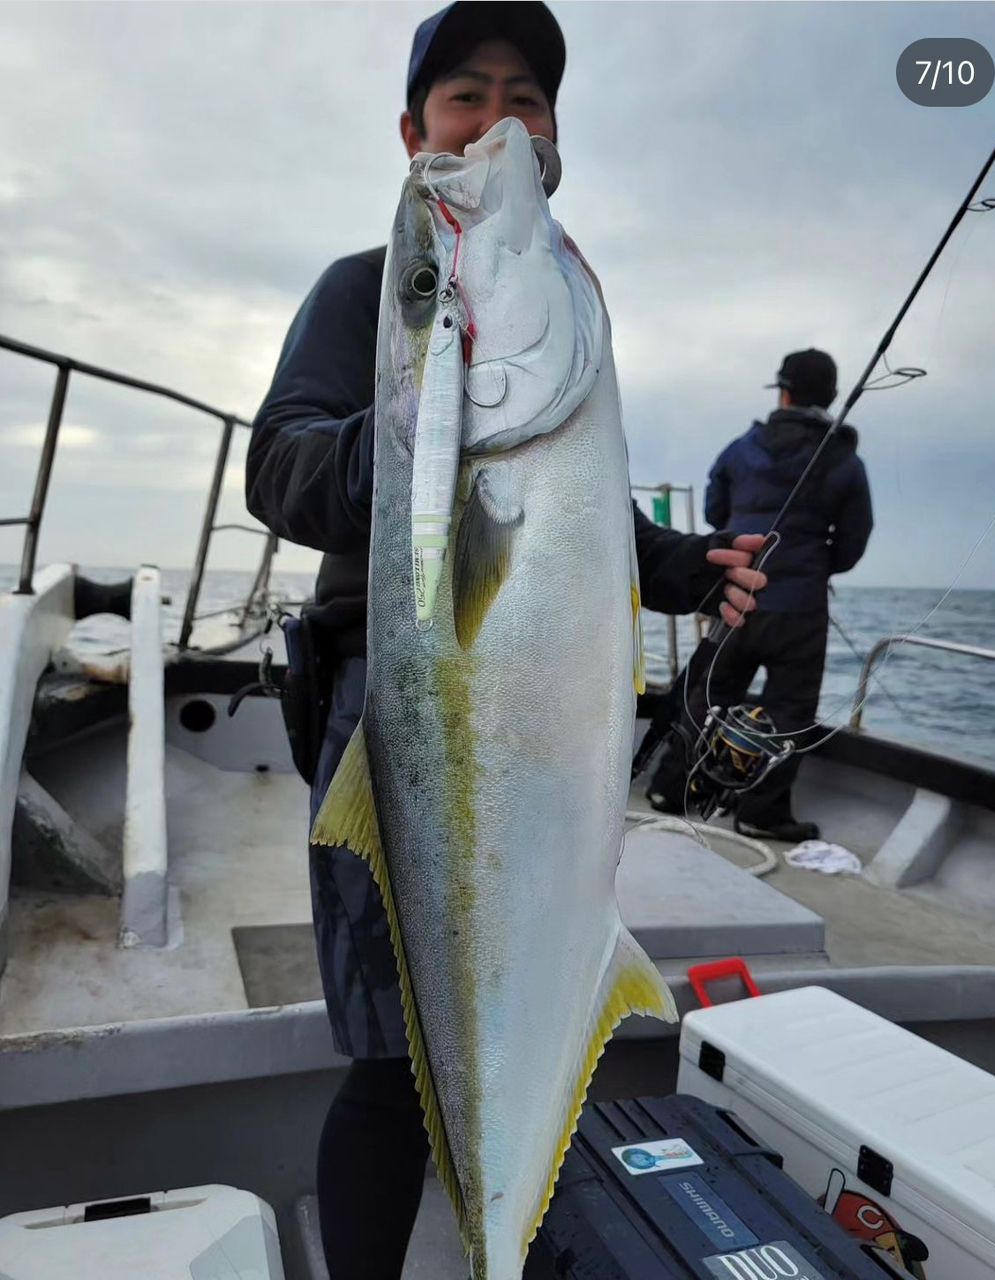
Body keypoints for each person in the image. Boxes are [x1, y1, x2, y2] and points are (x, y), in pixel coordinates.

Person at [245, 6, 767, 1277]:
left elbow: (565, 519)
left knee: (544, 991)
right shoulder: (371, 289)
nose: (498, 117)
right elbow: (284, 470)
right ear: (412, 130)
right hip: (404, 704)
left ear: (557, 134)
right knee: (390, 1053)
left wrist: (680, 570)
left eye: (526, 95)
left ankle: (512, 1234)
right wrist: (431, 401)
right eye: (466, 94)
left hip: (549, 703)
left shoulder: (566, 292)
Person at [648, 348, 873, 842]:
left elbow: (714, 510)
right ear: (832, 396)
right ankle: (761, 812)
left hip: (738, 594)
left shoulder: (740, 448)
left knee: (709, 694)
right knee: (789, 712)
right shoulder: (844, 459)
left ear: (783, 391)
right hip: (801, 609)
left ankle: (669, 788)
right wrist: (811, 567)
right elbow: (853, 543)